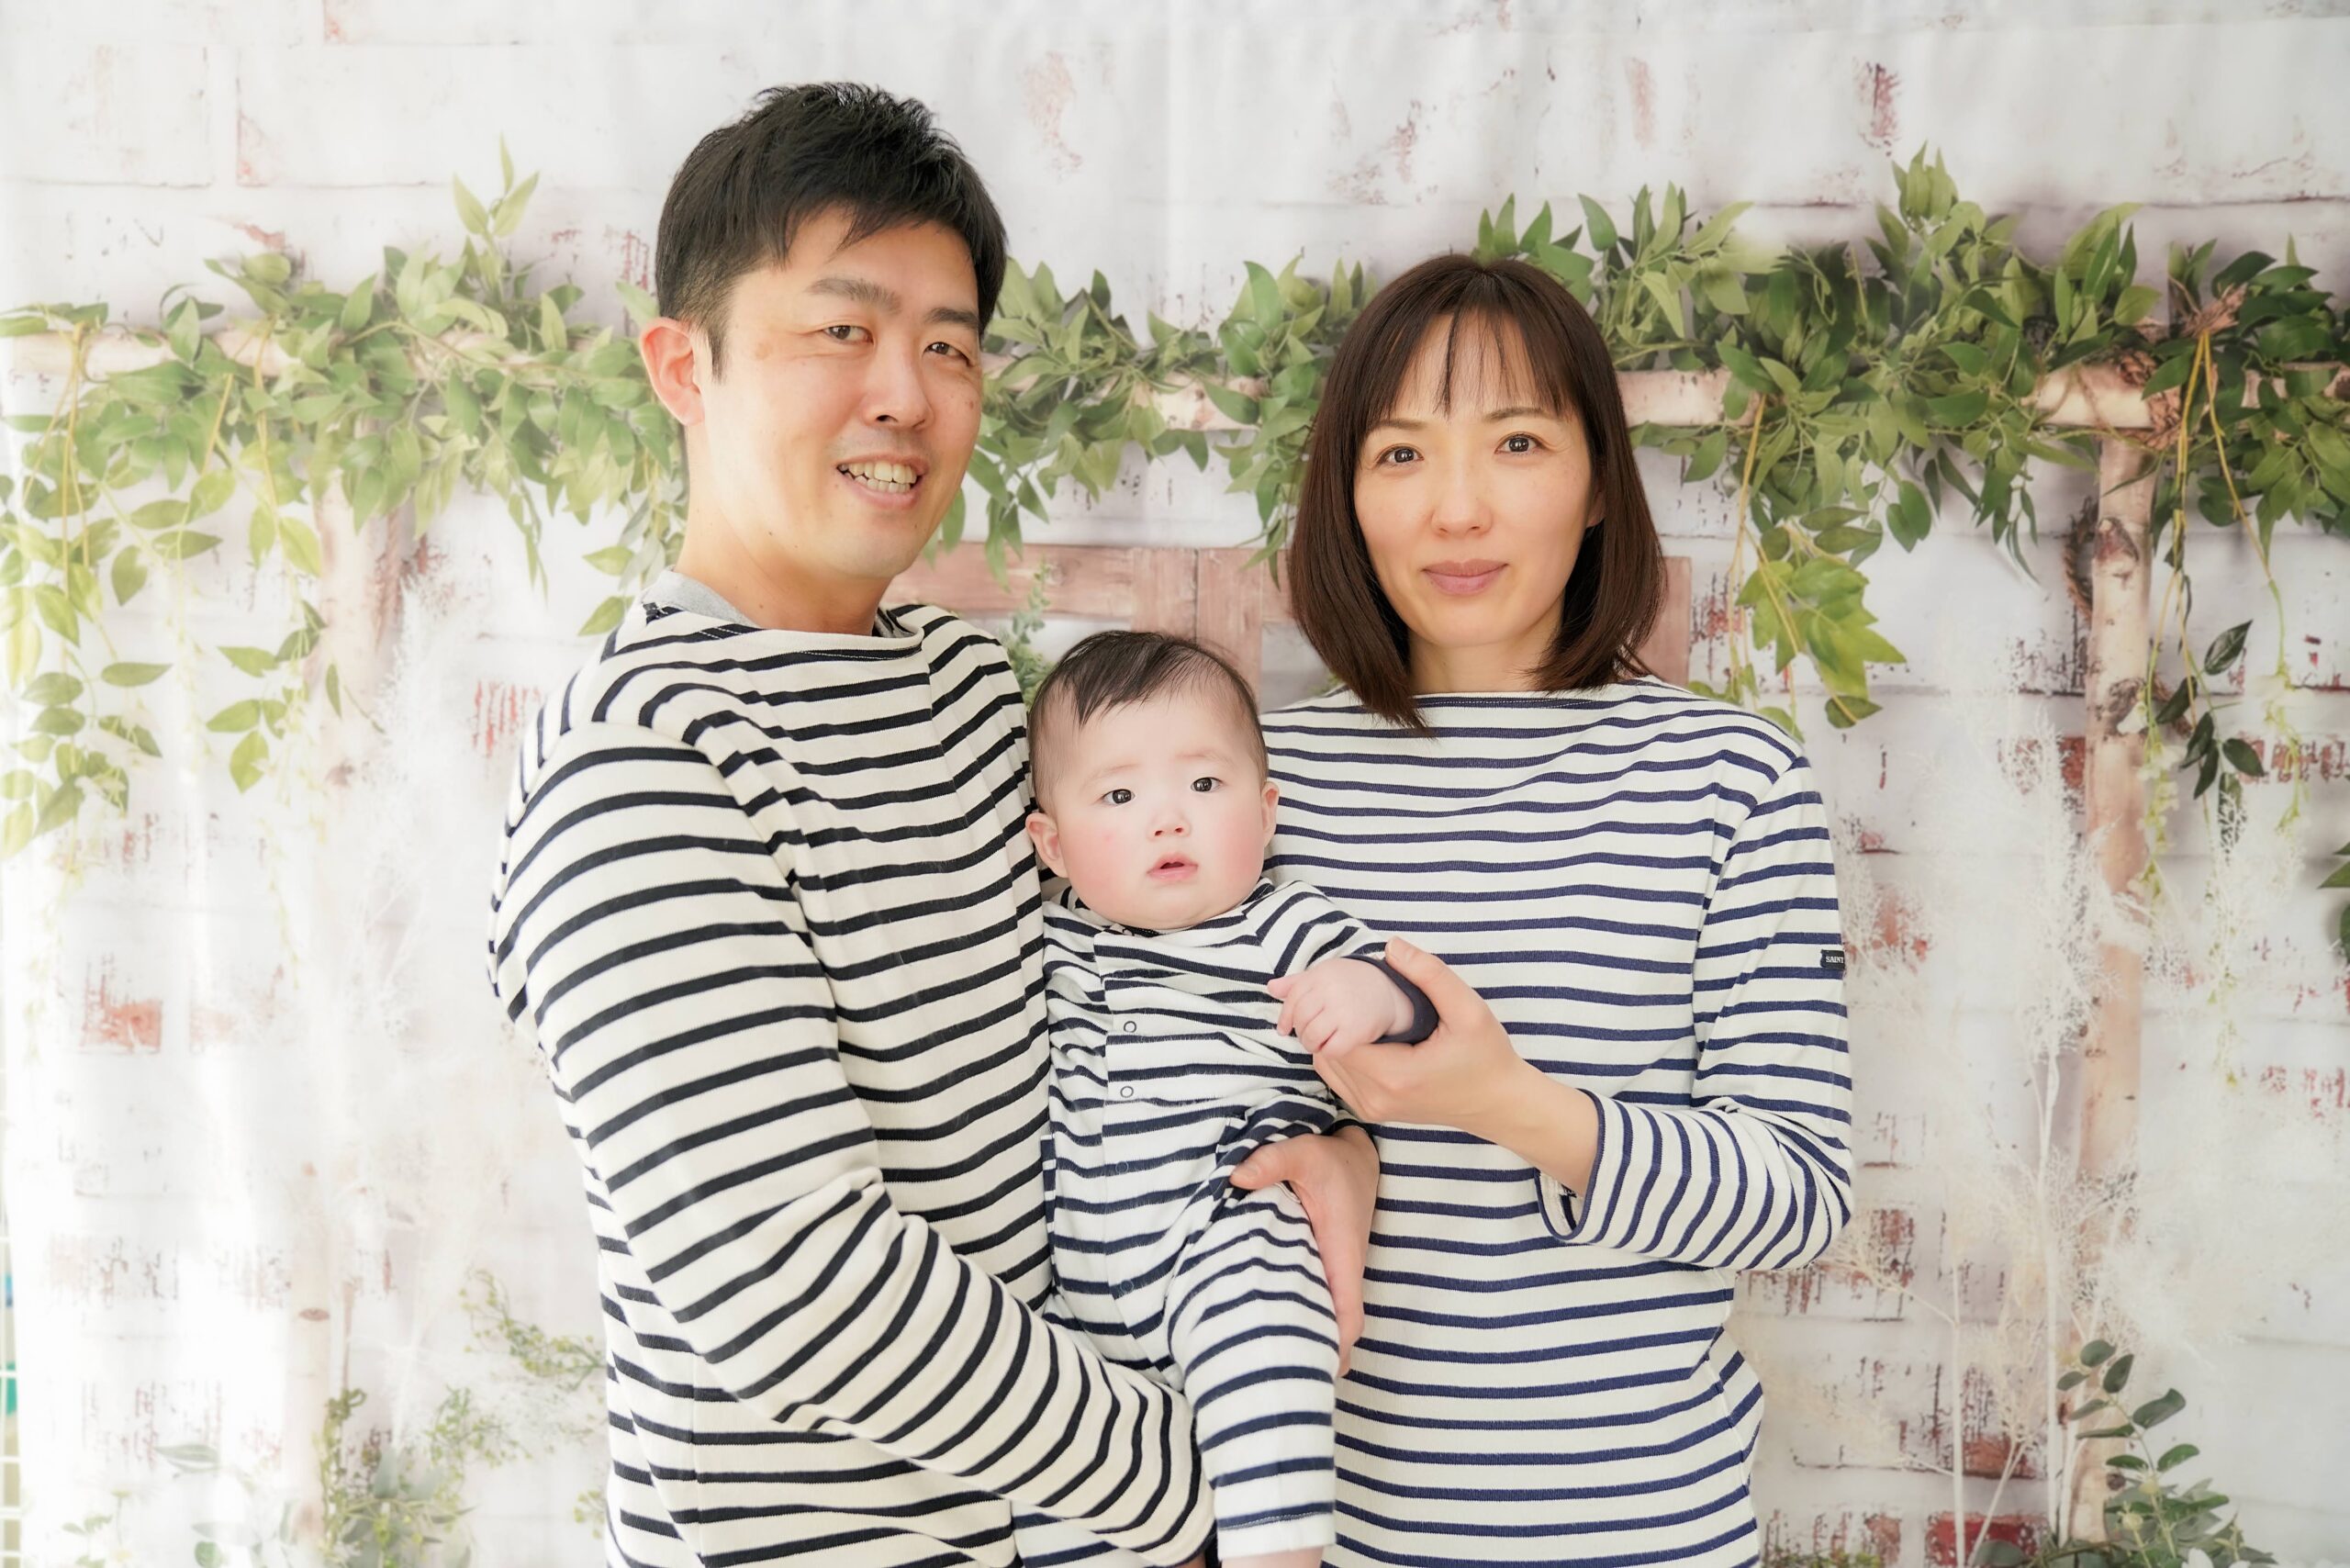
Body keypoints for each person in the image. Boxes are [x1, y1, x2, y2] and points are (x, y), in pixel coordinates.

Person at [483, 84, 1378, 1568]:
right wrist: (1216, 1485)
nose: (904, 392)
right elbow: (796, 1287)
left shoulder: (968, 684)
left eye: (949, 346)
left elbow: (1141, 970)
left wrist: (1318, 1140)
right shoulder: (638, 759)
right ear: (684, 366)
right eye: (842, 328)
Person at [1261, 252, 1857, 1566]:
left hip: (1639, 1532)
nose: (1457, 509)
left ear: (1597, 486)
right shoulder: (1251, 789)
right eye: (1400, 454)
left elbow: (1799, 1196)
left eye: (1517, 442)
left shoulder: (1728, 780)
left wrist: (1509, 1103)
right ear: (1347, 497)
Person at [1013, 631, 1437, 1568]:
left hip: (1228, 1230)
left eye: (1205, 785)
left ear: (1266, 808)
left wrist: (1370, 996)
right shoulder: (1044, 939)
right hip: (1074, 1294)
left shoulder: (1276, 923)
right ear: (1052, 843)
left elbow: (1415, 997)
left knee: (1267, 1359)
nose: (1170, 820)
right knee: (1054, 1481)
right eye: (1119, 797)